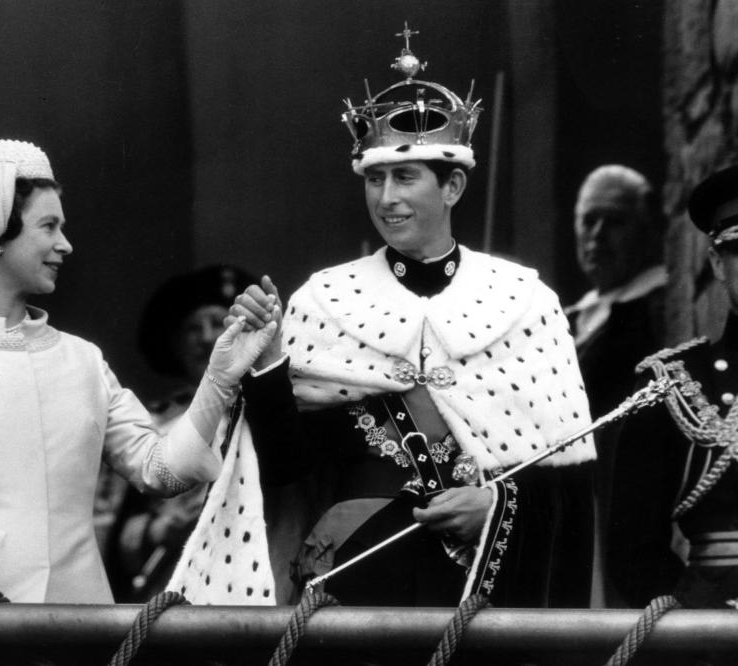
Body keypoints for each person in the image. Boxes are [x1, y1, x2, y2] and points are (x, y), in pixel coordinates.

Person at [169, 28, 597, 609]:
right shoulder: (324, 299)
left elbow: (569, 482)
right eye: (375, 179)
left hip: (483, 592)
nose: (386, 198)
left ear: (454, 186)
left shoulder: (524, 299)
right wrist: (268, 364)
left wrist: (494, 507)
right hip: (358, 573)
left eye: (405, 178)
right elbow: (290, 475)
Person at [0, 139, 276, 603]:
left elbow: (162, 472)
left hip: (76, 628)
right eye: (48, 226)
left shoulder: (82, 359)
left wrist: (219, 378)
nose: (65, 245)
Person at [608, 164, 738, 613]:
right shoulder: (673, 385)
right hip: (715, 628)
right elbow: (631, 551)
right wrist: (695, 620)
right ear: (719, 263)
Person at [105, 264, 256, 601]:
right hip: (171, 586)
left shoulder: (267, 412)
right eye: (192, 328)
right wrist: (160, 529)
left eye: (217, 324)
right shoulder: (150, 423)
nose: (205, 339)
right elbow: (111, 532)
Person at [564, 165, 667, 606]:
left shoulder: (657, 307)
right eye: (590, 220)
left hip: (623, 502)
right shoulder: (570, 316)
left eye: (616, 221)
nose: (599, 235)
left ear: (647, 231)